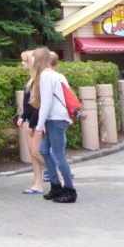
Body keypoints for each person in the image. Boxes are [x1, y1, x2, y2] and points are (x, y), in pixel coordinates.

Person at [33, 48, 80, 203]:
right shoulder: (52, 75)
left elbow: (46, 103)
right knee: (44, 150)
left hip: (55, 118)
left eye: (33, 57)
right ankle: (56, 186)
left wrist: (39, 125)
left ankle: (69, 189)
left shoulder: (46, 76)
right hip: (55, 118)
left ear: (39, 59)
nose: (31, 60)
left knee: (58, 154)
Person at [16, 50, 47, 194]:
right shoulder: (32, 80)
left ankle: (59, 175)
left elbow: (39, 104)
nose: (22, 63)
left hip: (35, 121)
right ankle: (38, 183)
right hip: (30, 120)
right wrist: (23, 116)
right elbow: (29, 102)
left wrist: (34, 123)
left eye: (24, 60)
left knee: (36, 152)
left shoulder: (39, 80)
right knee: (33, 153)